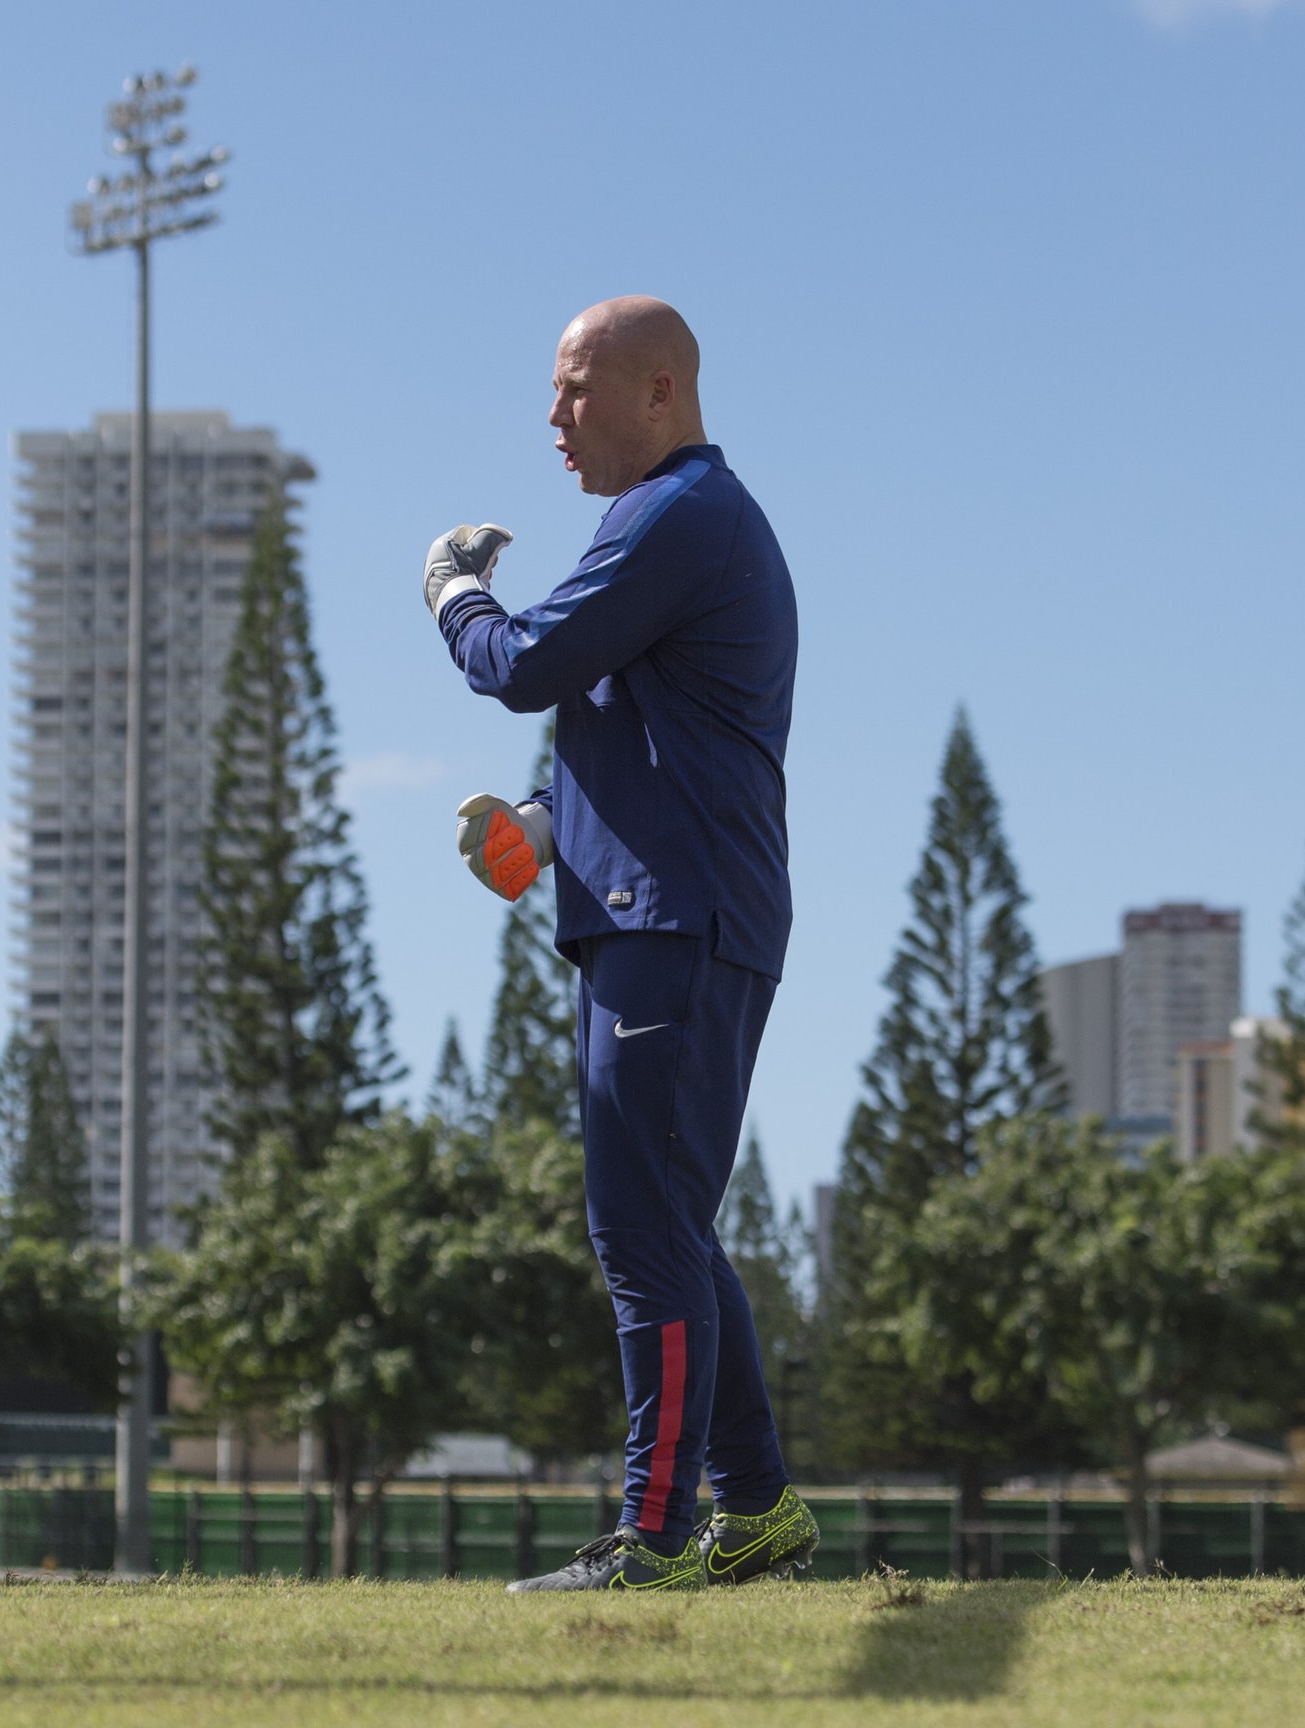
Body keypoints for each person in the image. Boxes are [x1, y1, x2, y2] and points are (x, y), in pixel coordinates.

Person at [428, 297, 816, 1591]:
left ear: (661, 392)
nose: (553, 418)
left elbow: (530, 663)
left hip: (678, 925)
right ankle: (754, 1509)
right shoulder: (674, 522)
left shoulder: (677, 513)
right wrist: (549, 825)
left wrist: (453, 594)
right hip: (672, 912)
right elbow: (663, 738)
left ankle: (651, 1543)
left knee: (644, 1233)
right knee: (676, 1226)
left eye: (576, 389)